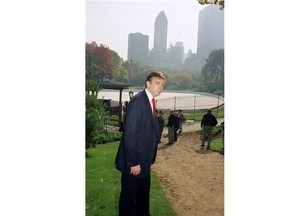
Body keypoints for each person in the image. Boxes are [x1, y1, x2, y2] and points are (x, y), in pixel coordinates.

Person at [115, 71, 166, 216]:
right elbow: (130, 135)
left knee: (143, 197)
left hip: (144, 162)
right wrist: (134, 162)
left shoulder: (150, 101)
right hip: (134, 164)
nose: (160, 87)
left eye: (162, 85)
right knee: (129, 201)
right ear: (147, 83)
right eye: (157, 83)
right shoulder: (138, 101)